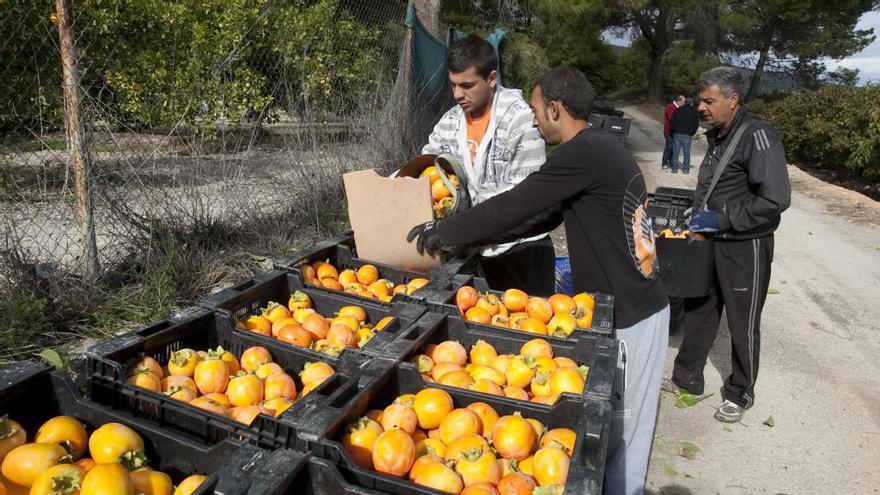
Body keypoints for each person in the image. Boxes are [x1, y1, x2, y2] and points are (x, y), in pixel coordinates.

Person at [408, 66, 670, 495]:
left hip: (633, 317)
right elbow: (534, 218)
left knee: (621, 445)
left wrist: (444, 232)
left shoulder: (583, 153)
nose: (532, 120)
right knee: (610, 438)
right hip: (629, 310)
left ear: (555, 108)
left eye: (535, 110)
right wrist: (462, 239)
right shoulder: (599, 149)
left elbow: (517, 203)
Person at [667, 66, 791, 423]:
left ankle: (741, 391)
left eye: (709, 100)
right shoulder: (719, 134)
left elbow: (775, 199)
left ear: (733, 100)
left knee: (742, 318)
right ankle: (686, 378)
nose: (701, 107)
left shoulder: (758, 135)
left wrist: (722, 219)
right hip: (711, 241)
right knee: (700, 308)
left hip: (744, 245)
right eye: (699, 100)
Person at [421, 34, 553, 295]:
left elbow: (524, 203)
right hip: (472, 248)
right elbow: (427, 165)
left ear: (492, 79)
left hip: (519, 252)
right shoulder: (451, 122)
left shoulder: (521, 122)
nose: (458, 94)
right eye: (453, 85)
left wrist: (460, 226)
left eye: (467, 85)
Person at [669, 97, 700, 174]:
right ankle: (686, 169)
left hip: (677, 133)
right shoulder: (694, 111)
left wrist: (674, 130)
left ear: (685, 102)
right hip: (687, 134)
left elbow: (672, 122)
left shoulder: (678, 110)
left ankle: (674, 169)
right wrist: (692, 132)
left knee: (676, 152)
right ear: (692, 103)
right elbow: (696, 124)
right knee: (686, 153)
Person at [662, 95, 684, 171]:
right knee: (669, 146)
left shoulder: (679, 108)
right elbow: (672, 119)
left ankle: (671, 162)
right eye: (683, 102)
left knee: (674, 147)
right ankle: (664, 163)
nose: (684, 103)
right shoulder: (670, 107)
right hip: (668, 131)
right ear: (679, 101)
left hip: (675, 131)